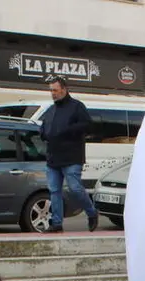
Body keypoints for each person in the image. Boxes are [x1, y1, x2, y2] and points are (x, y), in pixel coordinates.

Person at [40, 75, 99, 233]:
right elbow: (45, 126)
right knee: (54, 191)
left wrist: (67, 131)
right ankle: (57, 223)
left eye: (55, 90)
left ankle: (92, 212)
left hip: (72, 157)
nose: (53, 93)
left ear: (64, 90)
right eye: (51, 90)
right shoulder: (51, 110)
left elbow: (87, 125)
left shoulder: (77, 106)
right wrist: (44, 133)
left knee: (75, 188)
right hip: (53, 158)